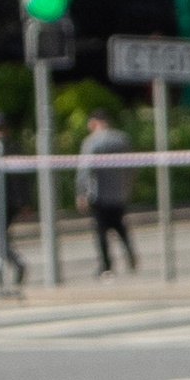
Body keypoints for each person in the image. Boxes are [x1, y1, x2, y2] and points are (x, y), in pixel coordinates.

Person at [77, 111, 138, 274]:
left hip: (99, 195)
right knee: (120, 226)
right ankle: (130, 255)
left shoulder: (91, 142)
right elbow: (131, 167)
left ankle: (106, 265)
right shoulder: (122, 139)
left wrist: (81, 193)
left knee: (101, 231)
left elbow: (85, 169)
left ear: (95, 122)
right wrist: (128, 186)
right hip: (120, 192)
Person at [0, 108, 28, 288]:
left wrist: (24, 202)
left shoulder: (5, 148)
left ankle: (14, 265)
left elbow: (21, 178)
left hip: (5, 201)